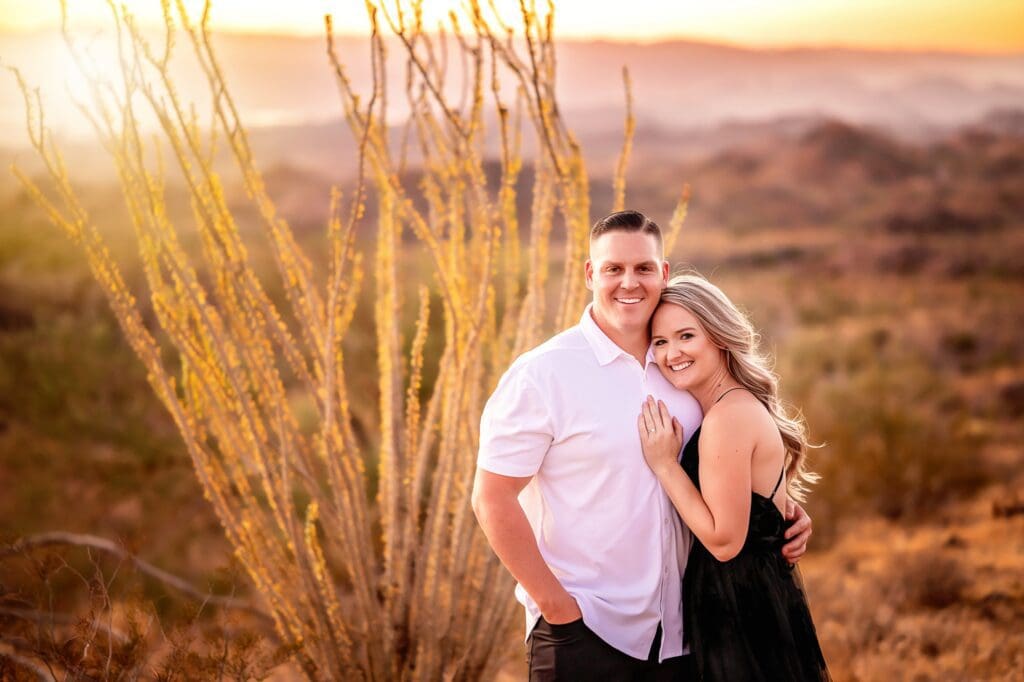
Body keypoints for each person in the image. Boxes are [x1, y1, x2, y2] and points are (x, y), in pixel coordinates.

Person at [471, 210, 813, 681]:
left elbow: (727, 459)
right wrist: (557, 607)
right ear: (591, 273)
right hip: (587, 631)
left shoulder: (682, 366)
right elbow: (492, 497)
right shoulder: (543, 374)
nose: (628, 282)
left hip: (688, 634)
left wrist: (777, 512)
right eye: (613, 268)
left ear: (663, 273)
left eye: (643, 268)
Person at [638, 273, 830, 681]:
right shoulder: (730, 406)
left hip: (742, 610)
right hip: (746, 599)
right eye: (660, 342)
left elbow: (725, 542)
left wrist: (665, 464)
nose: (672, 353)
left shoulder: (727, 416)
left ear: (719, 337)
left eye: (686, 336)